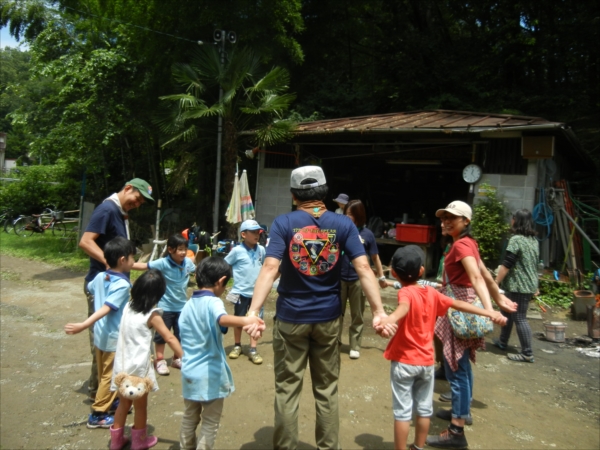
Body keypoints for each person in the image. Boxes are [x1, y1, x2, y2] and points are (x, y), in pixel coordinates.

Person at [244, 166, 394, 450]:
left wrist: (253, 311)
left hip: (291, 318)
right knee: (327, 390)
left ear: (293, 195)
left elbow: (270, 267)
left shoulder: (283, 223)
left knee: (287, 390)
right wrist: (378, 311)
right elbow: (363, 267)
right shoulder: (343, 225)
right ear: (324, 192)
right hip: (328, 318)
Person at [379, 246, 506, 450]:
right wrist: (488, 312)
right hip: (427, 364)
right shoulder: (431, 293)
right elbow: (459, 304)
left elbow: (403, 307)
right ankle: (418, 447)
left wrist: (389, 319)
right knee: (424, 409)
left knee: (402, 412)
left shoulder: (405, 293)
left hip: (404, 362)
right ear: (422, 271)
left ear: (394, 272)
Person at [426, 200, 497, 449]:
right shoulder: (466, 243)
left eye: (452, 218)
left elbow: (478, 276)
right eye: (444, 217)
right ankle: (462, 413)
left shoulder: (462, 245)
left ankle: (456, 431)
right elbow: (484, 275)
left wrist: (488, 309)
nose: (446, 221)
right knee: (463, 366)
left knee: (455, 368)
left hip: (459, 310)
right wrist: (498, 299)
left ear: (465, 221)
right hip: (461, 305)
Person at [79, 178, 154, 400]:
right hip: (104, 286)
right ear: (127, 188)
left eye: (141, 202)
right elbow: (85, 241)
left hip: (115, 285)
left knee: (113, 339)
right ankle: (98, 394)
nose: (137, 203)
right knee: (103, 340)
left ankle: (107, 390)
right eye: (136, 198)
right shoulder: (107, 209)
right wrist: (110, 264)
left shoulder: (118, 212)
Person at [178, 257, 264, 450]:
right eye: (226, 285)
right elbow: (222, 320)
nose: (225, 289)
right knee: (210, 422)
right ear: (220, 281)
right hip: (210, 374)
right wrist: (248, 320)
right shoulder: (213, 302)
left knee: (189, 416)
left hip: (189, 372)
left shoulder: (187, 306)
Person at [64, 236, 136, 429]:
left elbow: (90, 289)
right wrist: (82, 324)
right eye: (132, 258)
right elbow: (106, 307)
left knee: (106, 371)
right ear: (123, 260)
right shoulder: (123, 285)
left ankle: (111, 401)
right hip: (113, 337)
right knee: (110, 375)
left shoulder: (99, 277)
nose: (134, 262)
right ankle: (98, 414)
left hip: (100, 335)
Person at [109, 270, 184, 450]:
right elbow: (170, 337)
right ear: (159, 294)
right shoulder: (153, 315)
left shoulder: (128, 307)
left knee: (123, 404)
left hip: (122, 365)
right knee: (141, 406)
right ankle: (139, 441)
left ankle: (116, 441)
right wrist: (184, 356)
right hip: (139, 369)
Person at [137, 233, 195, 376]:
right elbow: (144, 266)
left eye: (185, 249)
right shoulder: (163, 263)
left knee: (181, 334)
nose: (183, 252)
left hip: (182, 306)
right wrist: (122, 266)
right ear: (170, 249)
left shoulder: (187, 262)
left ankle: (177, 358)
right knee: (162, 335)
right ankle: (160, 360)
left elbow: (196, 270)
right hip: (166, 307)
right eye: (180, 249)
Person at [339, 199, 387, 359]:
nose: (348, 217)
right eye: (346, 213)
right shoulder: (341, 230)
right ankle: (334, 342)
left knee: (357, 314)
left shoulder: (367, 234)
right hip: (339, 277)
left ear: (359, 215)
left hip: (358, 280)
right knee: (335, 313)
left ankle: (354, 345)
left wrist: (381, 276)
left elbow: (375, 257)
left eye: (351, 214)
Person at [494, 209, 539, 363]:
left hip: (518, 285)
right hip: (526, 283)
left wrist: (495, 282)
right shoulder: (533, 240)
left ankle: (527, 353)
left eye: (512, 218)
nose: (511, 220)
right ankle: (502, 342)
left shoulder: (516, 239)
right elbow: (534, 265)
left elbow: (507, 264)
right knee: (506, 313)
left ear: (516, 220)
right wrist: (536, 285)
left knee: (519, 317)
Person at [224, 219, 266, 364]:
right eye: (253, 232)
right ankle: (237, 345)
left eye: (258, 232)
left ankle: (253, 349)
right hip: (240, 292)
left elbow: (265, 267)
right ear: (243, 234)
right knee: (239, 319)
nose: (257, 235)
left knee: (255, 321)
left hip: (257, 294)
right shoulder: (236, 251)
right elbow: (224, 264)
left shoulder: (261, 250)